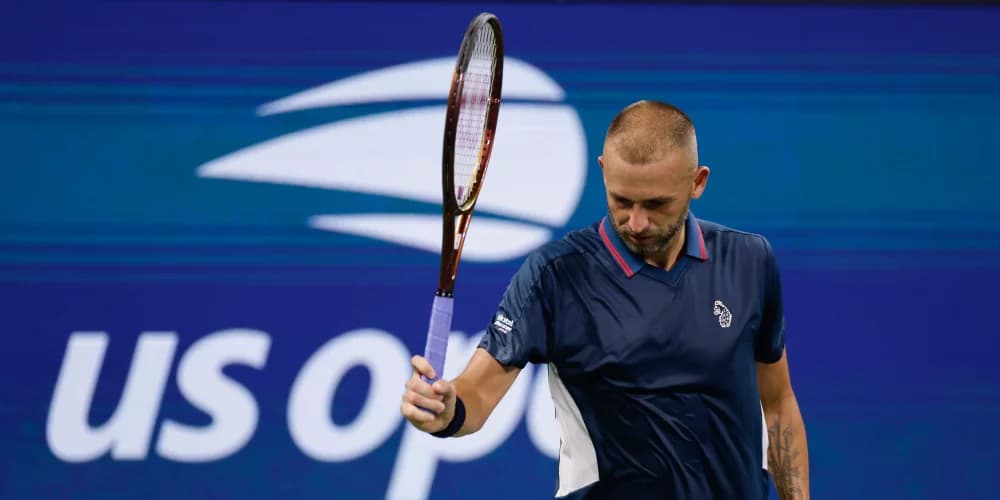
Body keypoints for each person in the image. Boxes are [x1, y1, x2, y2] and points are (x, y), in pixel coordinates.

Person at [401, 100, 809, 499]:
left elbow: (777, 402)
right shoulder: (555, 275)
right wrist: (447, 410)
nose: (637, 222)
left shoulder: (748, 261)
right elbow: (477, 393)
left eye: (656, 204)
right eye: (621, 200)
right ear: (603, 171)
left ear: (697, 182)